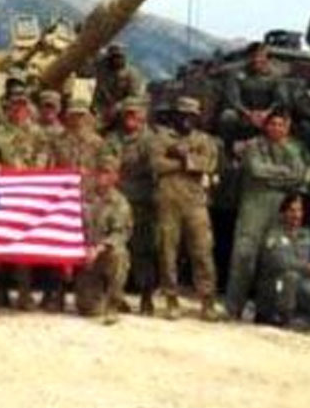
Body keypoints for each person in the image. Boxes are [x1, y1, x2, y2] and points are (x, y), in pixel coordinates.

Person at [226, 109, 309, 320]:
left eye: (281, 125)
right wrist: (283, 174)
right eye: (273, 124)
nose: (276, 128)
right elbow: (256, 170)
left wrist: (272, 176)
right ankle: (233, 308)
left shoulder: (292, 149)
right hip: (254, 207)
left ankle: (268, 310)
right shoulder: (254, 146)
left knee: (274, 259)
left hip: (279, 208)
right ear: (266, 126)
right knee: (244, 256)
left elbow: (298, 175)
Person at [149, 96, 220, 321]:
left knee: (202, 251)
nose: (186, 120)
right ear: (175, 116)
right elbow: (156, 164)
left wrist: (183, 157)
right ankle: (171, 298)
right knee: (167, 251)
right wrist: (186, 163)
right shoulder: (161, 138)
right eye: (182, 115)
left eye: (191, 116)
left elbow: (208, 164)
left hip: (195, 203)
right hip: (167, 202)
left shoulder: (205, 140)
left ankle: (207, 300)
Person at [0, 87, 48, 311]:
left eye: (23, 105)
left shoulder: (38, 133)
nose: (19, 109)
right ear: (8, 108)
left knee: (24, 244)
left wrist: (29, 176)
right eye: (14, 105)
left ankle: (24, 293)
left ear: (28, 108)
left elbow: (42, 160)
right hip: (1, 193)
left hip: (26, 195)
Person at [255, 193, 310, 332]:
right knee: (290, 276)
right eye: (292, 211)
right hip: (276, 288)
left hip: (301, 285)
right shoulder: (273, 236)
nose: (296, 215)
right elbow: (281, 263)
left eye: (299, 211)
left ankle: (307, 320)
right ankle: (282, 318)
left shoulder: (306, 235)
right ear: (283, 213)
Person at [105, 98, 158, 315]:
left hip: (142, 203)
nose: (131, 118)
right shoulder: (112, 139)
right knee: (115, 248)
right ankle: (116, 296)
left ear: (143, 116)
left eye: (135, 114)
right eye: (127, 114)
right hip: (116, 202)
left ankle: (146, 296)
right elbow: (107, 164)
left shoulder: (150, 139)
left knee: (143, 250)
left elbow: (154, 167)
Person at [75, 156, 132, 324]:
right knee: (88, 309)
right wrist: (83, 248)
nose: (101, 176)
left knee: (119, 255)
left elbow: (120, 234)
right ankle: (97, 296)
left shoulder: (119, 202)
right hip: (85, 255)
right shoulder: (83, 198)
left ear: (115, 177)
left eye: (107, 172)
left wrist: (99, 248)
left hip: (105, 254)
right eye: (99, 172)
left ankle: (114, 304)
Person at [219, 41, 287, 144]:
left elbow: (280, 100)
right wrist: (247, 113)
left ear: (266, 58)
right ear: (249, 57)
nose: (257, 60)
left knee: (282, 119)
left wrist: (266, 113)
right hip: (243, 114)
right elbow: (233, 98)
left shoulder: (275, 76)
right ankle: (228, 147)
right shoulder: (237, 74)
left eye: (260, 56)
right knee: (228, 116)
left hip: (267, 115)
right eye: (253, 56)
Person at [93, 44, 146, 127]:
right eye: (114, 57)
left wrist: (119, 106)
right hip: (104, 108)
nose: (117, 60)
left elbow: (135, 96)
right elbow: (99, 90)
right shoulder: (103, 71)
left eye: (119, 57)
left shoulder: (132, 73)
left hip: (125, 108)